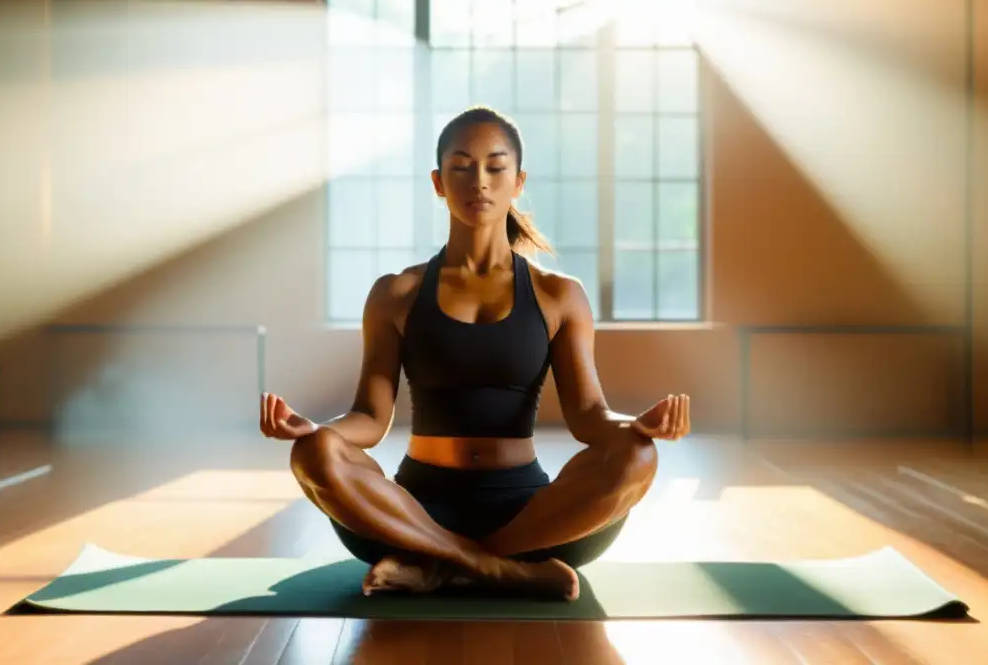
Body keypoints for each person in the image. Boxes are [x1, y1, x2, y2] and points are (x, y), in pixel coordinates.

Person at [259, 106, 691, 601]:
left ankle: (442, 564)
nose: (478, 181)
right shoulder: (395, 293)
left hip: (530, 517)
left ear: (518, 181)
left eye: (495, 166)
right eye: (461, 166)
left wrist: (637, 425)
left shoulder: (558, 295)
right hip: (412, 511)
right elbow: (370, 418)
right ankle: (497, 571)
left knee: (638, 454)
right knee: (313, 453)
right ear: (439, 182)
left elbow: (589, 416)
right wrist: (317, 430)